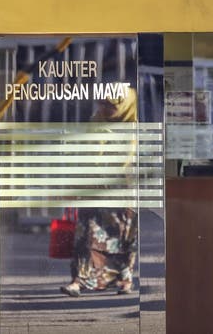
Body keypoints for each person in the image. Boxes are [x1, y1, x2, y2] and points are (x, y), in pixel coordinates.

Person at [60, 89, 139, 297]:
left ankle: (124, 280)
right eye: (101, 104)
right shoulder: (96, 121)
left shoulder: (132, 125)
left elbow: (130, 159)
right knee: (87, 233)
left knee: (123, 235)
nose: (104, 109)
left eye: (109, 105)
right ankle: (78, 281)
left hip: (123, 187)